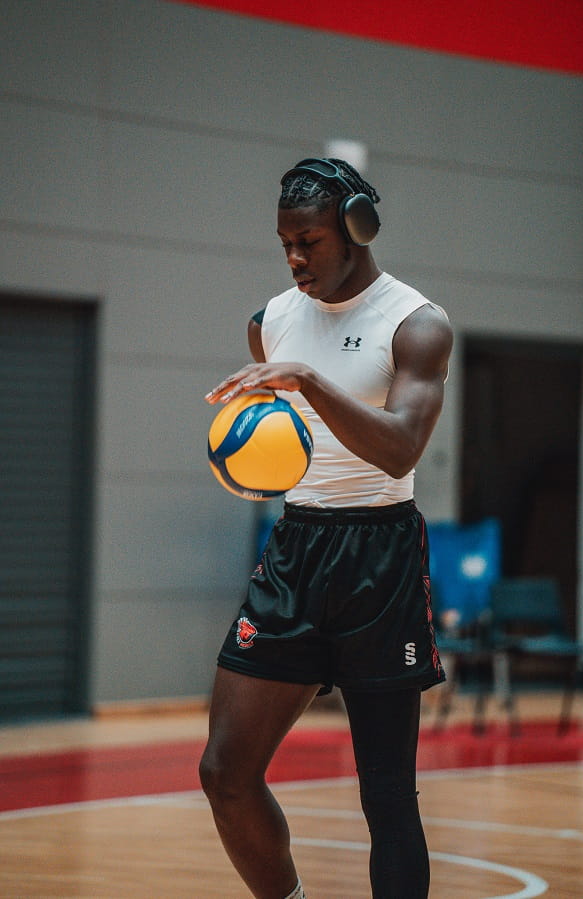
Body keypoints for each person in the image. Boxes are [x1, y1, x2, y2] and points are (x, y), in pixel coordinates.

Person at [200, 157, 453, 899]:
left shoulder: (416, 323)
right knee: (225, 772)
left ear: (356, 227)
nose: (295, 257)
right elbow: (280, 431)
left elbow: (403, 444)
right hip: (297, 547)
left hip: (380, 556)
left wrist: (309, 380)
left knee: (387, 797)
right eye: (285, 242)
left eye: (308, 239)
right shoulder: (270, 321)